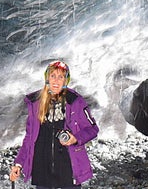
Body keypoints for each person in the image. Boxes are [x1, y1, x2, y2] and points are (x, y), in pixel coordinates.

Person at [9, 60, 99, 188]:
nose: (56, 81)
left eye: (60, 77)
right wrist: (18, 164)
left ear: (66, 80)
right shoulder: (35, 102)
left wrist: (75, 139)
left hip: (68, 169)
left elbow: (93, 129)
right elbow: (29, 138)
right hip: (42, 170)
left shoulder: (75, 101)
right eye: (53, 76)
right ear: (47, 78)